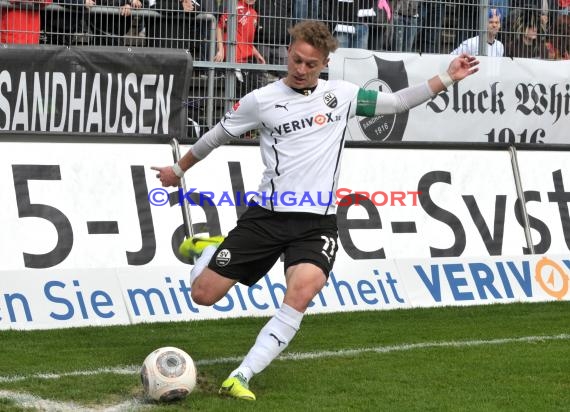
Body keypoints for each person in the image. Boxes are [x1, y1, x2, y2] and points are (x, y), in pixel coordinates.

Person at [151, 20, 479, 401]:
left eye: (310, 64)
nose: (300, 69)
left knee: (303, 290)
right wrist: (177, 170)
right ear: (289, 52)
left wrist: (448, 77)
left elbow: (399, 101)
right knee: (203, 295)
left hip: (316, 223)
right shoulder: (262, 100)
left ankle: (242, 375)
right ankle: (209, 251)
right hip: (267, 217)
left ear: (324, 63)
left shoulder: (342, 96)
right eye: (296, 60)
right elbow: (217, 135)